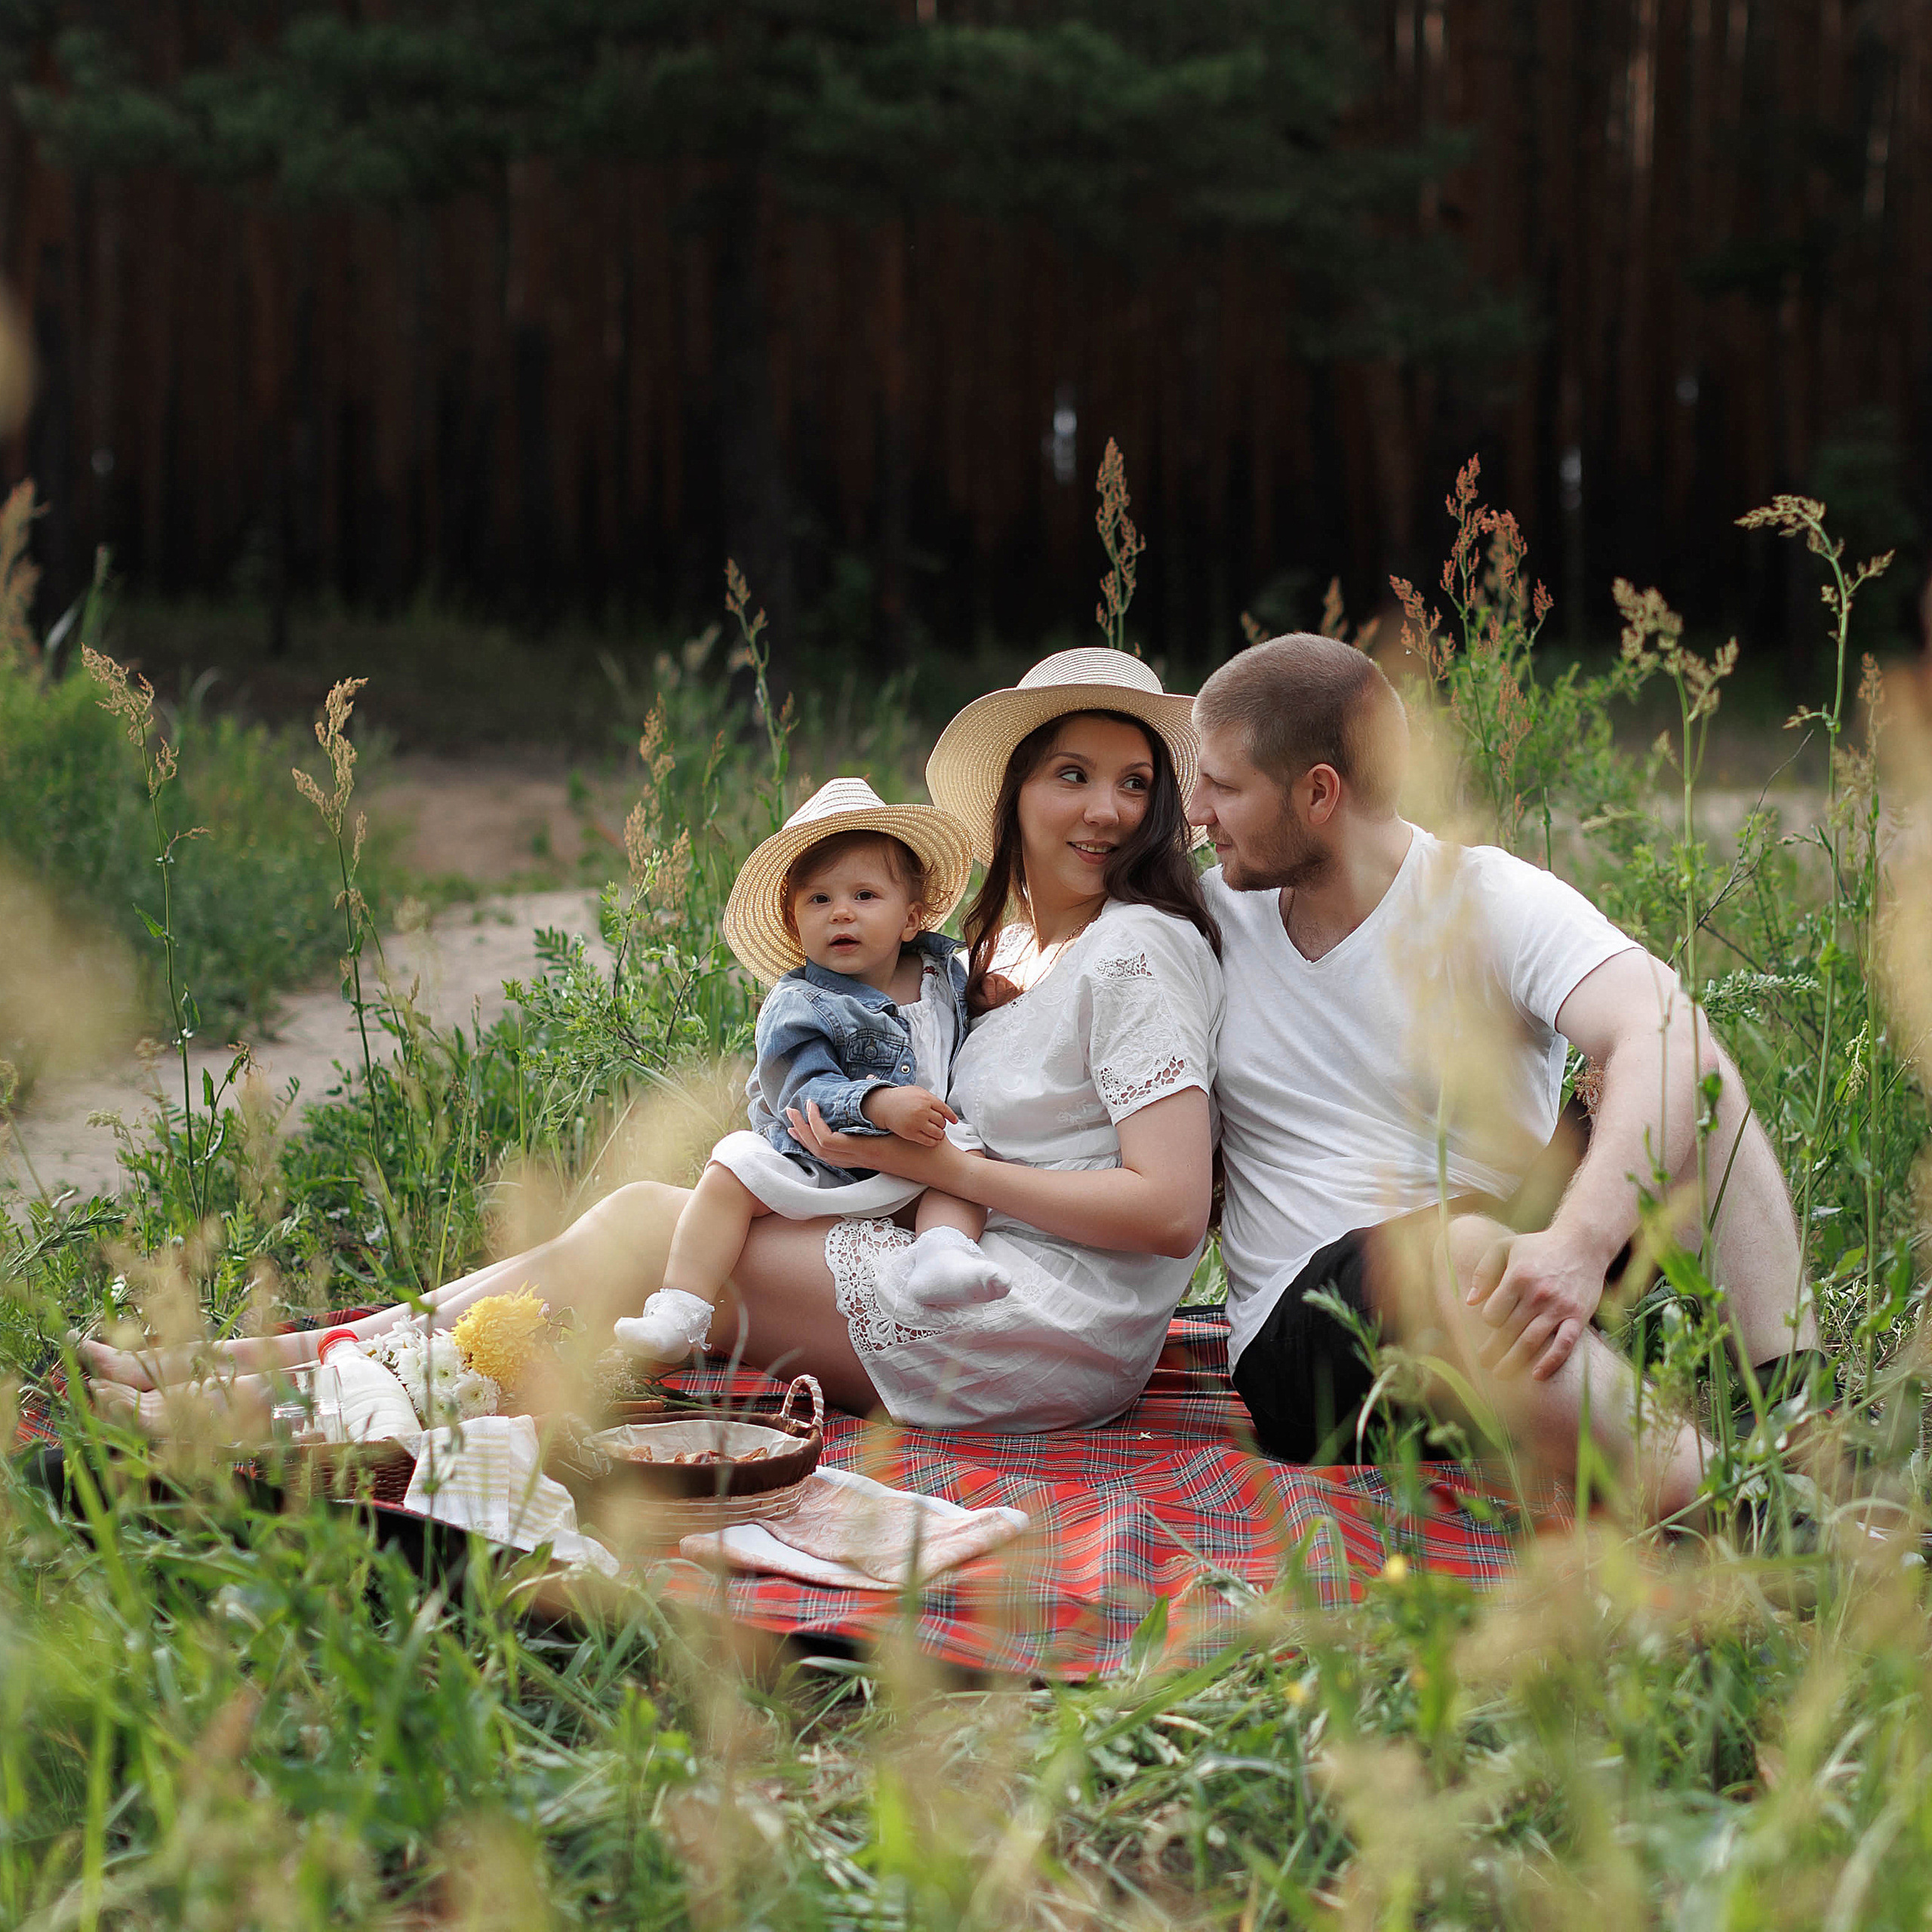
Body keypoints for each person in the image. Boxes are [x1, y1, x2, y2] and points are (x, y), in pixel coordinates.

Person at [85, 648, 1225, 1436]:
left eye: (1134, 783)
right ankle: (253, 1375)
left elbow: (1171, 1211)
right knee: (638, 1247)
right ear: (1018, 793)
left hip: (1047, 1321)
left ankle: (245, 1390)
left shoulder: (1138, 951)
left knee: (636, 1235)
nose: (1107, 811)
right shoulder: (1016, 949)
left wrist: (942, 1168)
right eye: (1072, 776)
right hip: (973, 1270)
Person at [1186, 631, 1822, 1522]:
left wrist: (1576, 1243)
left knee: (1698, 1077)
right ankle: (1757, 1513)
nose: (1195, 811)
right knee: (1454, 1252)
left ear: (1318, 793)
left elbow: (1664, 1029)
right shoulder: (1206, 917)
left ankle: (1802, 1433)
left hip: (1521, 1284)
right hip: (1314, 1340)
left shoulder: (1482, 896)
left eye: (1221, 785)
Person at [613, 776, 998, 1369]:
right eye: (819, 900)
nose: (841, 911)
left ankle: (943, 1254)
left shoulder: (946, 973)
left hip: (920, 1161)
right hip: (818, 1160)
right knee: (729, 1169)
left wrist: (992, 996)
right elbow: (803, 1090)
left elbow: (974, 1034)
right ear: (796, 926)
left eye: (865, 895)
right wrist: (877, 1104)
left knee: (968, 1163)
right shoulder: (799, 1003)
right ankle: (680, 1310)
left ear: (911, 918)